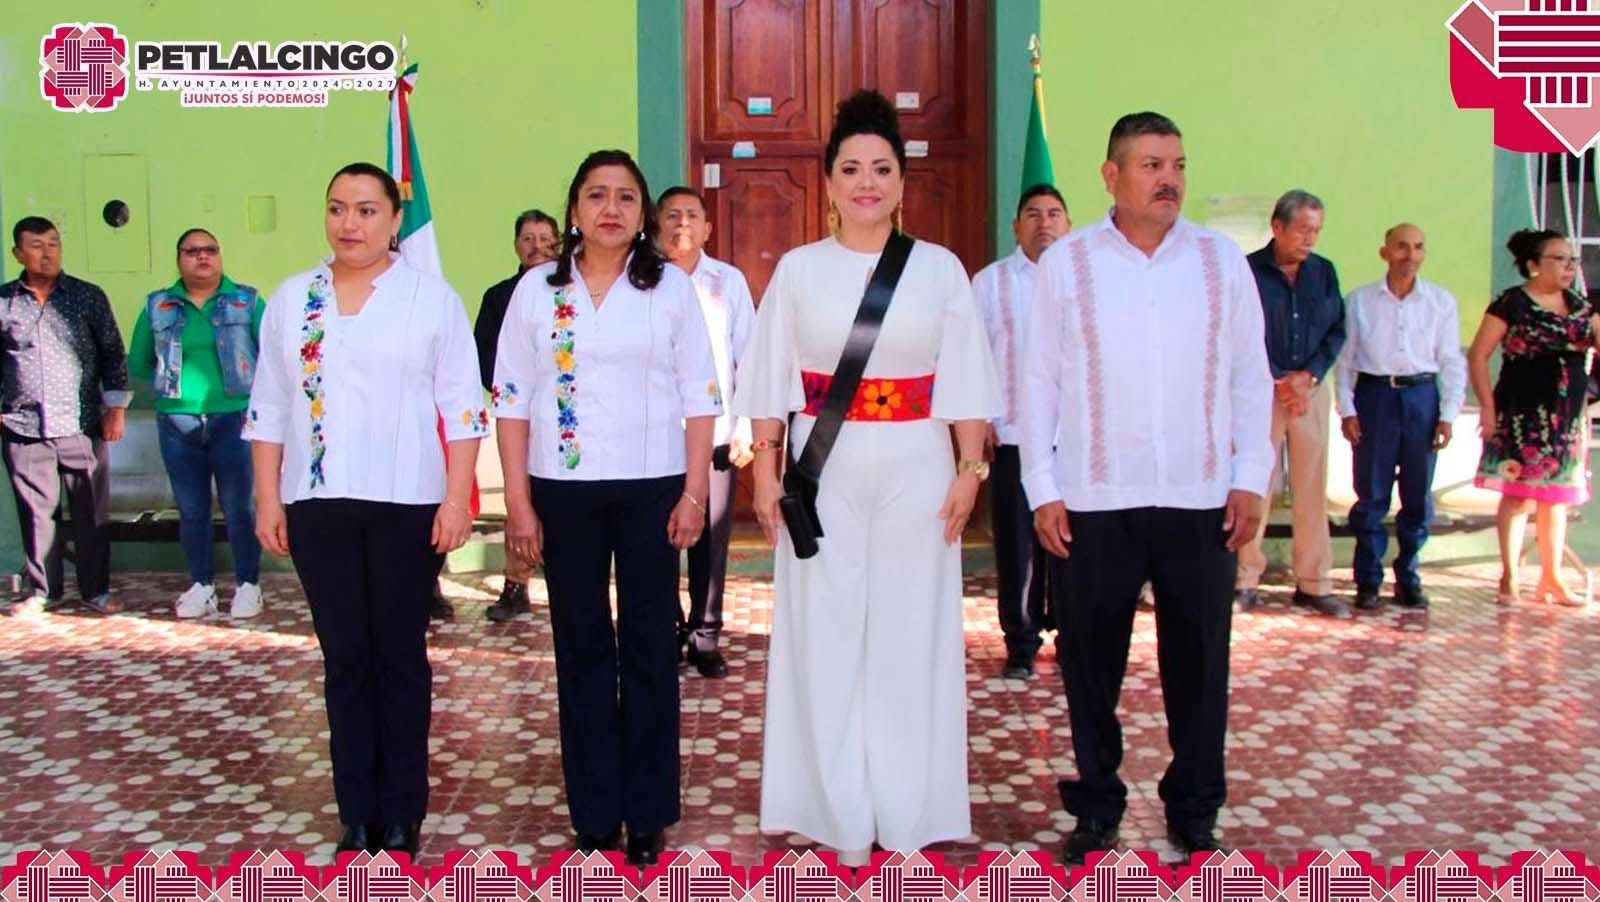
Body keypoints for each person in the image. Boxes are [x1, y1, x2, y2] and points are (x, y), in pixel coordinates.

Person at [735, 90, 1000, 864]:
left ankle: (909, 810)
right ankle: (832, 807)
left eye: (881, 168)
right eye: (850, 168)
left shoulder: (939, 270)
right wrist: (762, 474)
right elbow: (769, 379)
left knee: (909, 634)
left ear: (902, 181)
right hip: (823, 471)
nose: (866, 182)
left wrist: (970, 468)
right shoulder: (797, 270)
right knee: (825, 630)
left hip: (920, 463)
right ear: (827, 182)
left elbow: (967, 380)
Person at [1020, 112, 1273, 863]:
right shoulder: (1068, 263)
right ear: (1112, 176)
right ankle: (1097, 804)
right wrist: (1041, 485)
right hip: (1095, 499)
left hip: (1200, 498)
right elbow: (1038, 382)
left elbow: (1248, 376)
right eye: (1152, 164)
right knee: (1090, 664)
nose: (1169, 179)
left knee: (1200, 663)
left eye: (1178, 164)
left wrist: (1250, 475)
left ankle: (1195, 807)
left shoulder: (1221, 261)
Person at [243, 162, 484, 856]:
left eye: (367, 210)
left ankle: (404, 810)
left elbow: (462, 407)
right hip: (317, 503)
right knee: (345, 658)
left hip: (408, 503)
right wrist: (268, 497)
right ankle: (357, 810)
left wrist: (456, 498)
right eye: (338, 209)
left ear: (394, 220)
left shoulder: (429, 298)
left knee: (400, 657)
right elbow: (269, 406)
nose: (351, 224)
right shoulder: (294, 299)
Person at [490, 150, 718, 866]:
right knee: (582, 648)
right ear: (574, 208)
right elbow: (513, 401)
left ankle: (647, 812)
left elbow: (700, 395)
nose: (610, 208)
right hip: (564, 490)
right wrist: (519, 504)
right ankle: (594, 812)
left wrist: (694, 494)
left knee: (651, 647)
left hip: (654, 488)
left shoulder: (669, 289)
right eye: (596, 195)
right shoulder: (537, 291)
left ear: (642, 213)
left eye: (625, 196)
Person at [127, 228, 265, 619]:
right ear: (179, 258)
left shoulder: (247, 302)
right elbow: (138, 360)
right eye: (192, 251)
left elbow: (273, 354)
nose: (202, 258)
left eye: (210, 250)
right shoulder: (158, 306)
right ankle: (201, 584)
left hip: (234, 417)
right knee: (192, 509)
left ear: (220, 256)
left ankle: (248, 585)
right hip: (177, 420)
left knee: (239, 507)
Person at [1, 216, 131, 615]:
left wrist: (116, 409)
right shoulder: (5, 301)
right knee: (37, 514)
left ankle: (96, 591)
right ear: (18, 253)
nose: (47, 252)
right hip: (22, 425)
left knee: (91, 511)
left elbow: (112, 352)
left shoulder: (87, 296)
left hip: (82, 422)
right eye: (37, 245)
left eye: (54, 243)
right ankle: (43, 591)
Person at [1335, 224, 1466, 610]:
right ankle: (1368, 580)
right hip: (1375, 397)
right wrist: (1347, 409)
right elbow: (1344, 363)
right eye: (1402, 247)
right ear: (1385, 252)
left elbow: (1451, 361)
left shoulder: (1441, 302)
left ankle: (1408, 577)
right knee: (1371, 494)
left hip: (1422, 398)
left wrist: (1448, 415)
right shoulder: (1359, 301)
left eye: (1418, 247)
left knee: (1416, 495)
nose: (1410, 254)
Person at [1468, 228, 1600, 606]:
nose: (1569, 266)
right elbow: (1478, 354)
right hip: (1520, 416)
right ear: (1532, 265)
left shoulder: (1580, 306)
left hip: (1567, 420)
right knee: (1517, 496)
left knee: (1555, 499)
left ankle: (1551, 578)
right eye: (1560, 258)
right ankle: (1509, 576)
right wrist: (1488, 408)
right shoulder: (1512, 303)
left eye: (1572, 259)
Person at [657, 185, 756, 678]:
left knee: (709, 538)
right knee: (657, 539)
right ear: (656, 226)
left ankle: (706, 634)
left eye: (692, 215)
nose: (682, 224)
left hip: (717, 432)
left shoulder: (728, 282)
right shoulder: (644, 281)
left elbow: (749, 357)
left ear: (708, 227)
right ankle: (668, 629)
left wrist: (745, 429)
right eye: (671, 215)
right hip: (656, 438)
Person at [973, 182, 1071, 679]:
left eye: (1054, 213)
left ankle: (1070, 636)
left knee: (1072, 544)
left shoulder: (1082, 280)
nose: (1044, 223)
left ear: (1068, 223)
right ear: (1016, 226)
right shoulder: (989, 283)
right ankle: (1021, 642)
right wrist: (982, 421)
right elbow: (973, 357)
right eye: (1033, 214)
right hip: (1012, 436)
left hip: (1072, 441)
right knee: (1018, 547)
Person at [1234, 190, 1347, 617]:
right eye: (1302, 229)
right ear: (1277, 227)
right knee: (1253, 484)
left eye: (1316, 230)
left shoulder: (1324, 272)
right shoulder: (1248, 271)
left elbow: (1337, 328)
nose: (1310, 239)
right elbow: (1240, 331)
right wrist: (1278, 377)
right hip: (1262, 392)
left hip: (1310, 392)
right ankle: (1244, 578)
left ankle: (1314, 582)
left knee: (1313, 487)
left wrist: (1308, 376)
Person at [475, 208, 560, 622]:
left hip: (565, 420)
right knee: (520, 499)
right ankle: (515, 586)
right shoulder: (498, 297)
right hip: (519, 420)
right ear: (516, 246)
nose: (538, 246)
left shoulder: (574, 290)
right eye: (529, 238)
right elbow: (485, 357)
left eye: (546, 238)